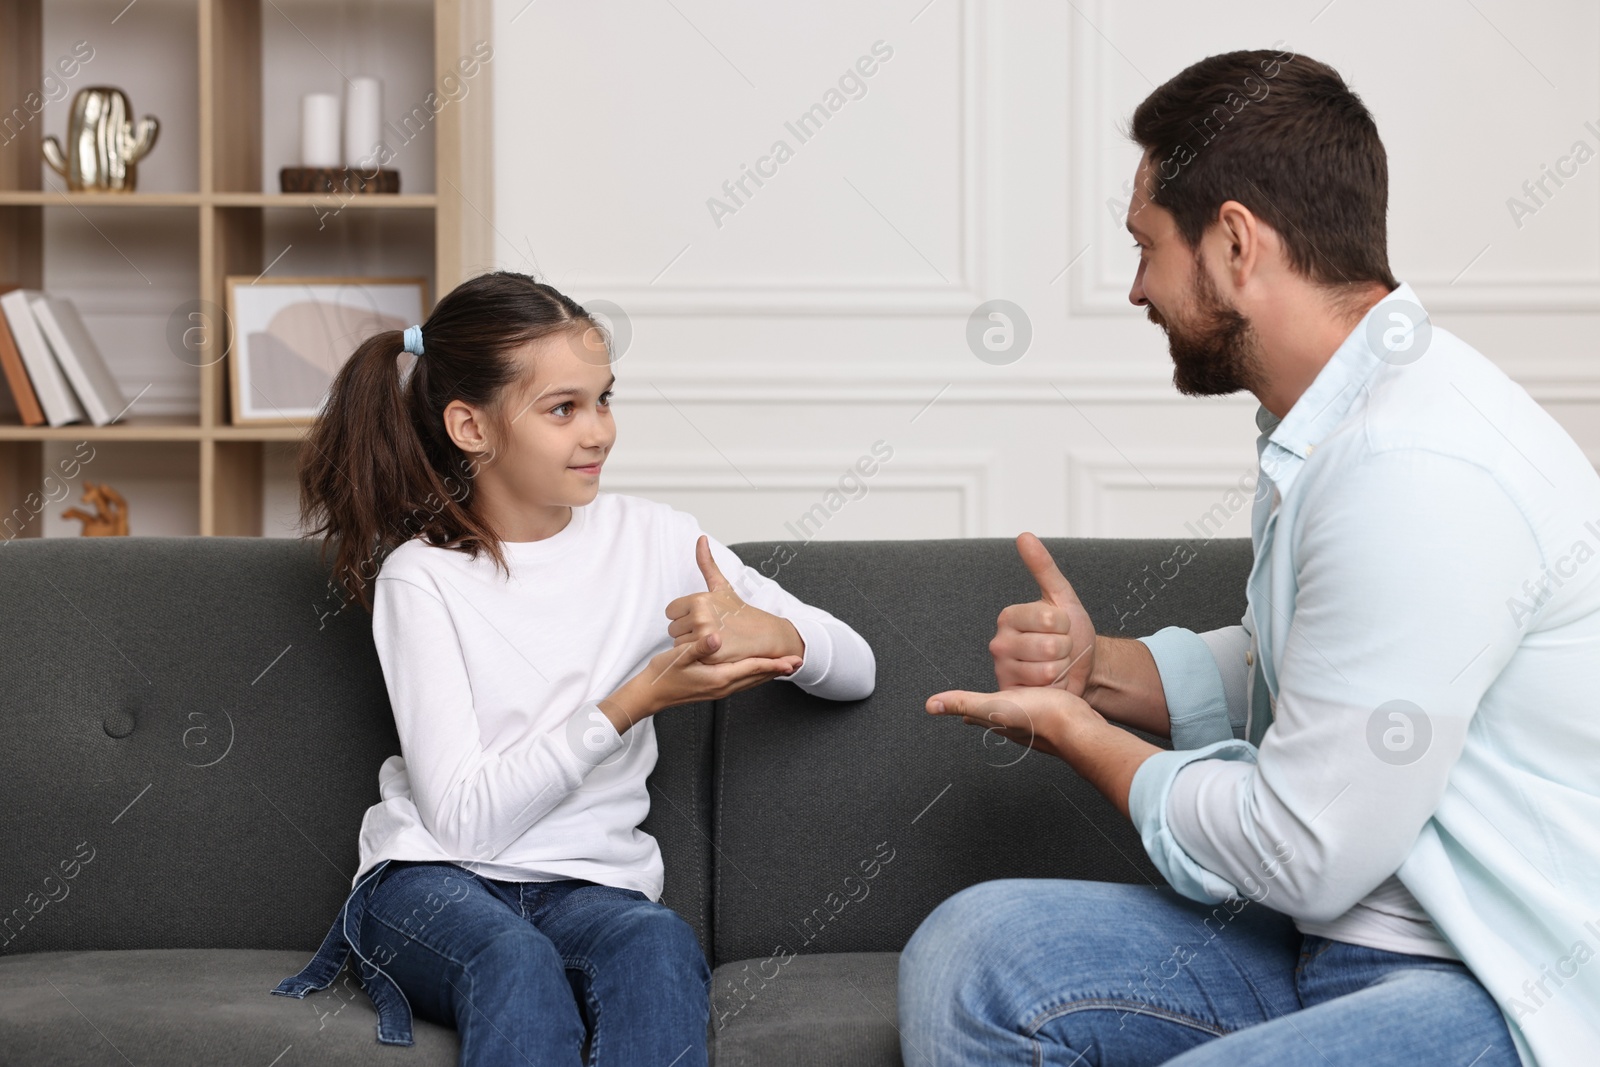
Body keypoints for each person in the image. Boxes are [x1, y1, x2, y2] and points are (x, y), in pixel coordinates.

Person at [898, 48, 1600, 1067]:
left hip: (1488, 978)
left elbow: (1302, 846)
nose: (1136, 288)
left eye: (1146, 247)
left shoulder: (1413, 466)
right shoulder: (1341, 415)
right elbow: (1340, 675)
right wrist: (1098, 670)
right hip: (1339, 937)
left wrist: (1082, 736)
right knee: (977, 953)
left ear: (1234, 242)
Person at [268, 271, 876, 1066]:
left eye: (605, 399)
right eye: (564, 408)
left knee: (657, 947)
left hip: (594, 889)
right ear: (470, 426)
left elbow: (857, 668)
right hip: (430, 883)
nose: (599, 433)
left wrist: (778, 632)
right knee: (514, 960)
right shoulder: (422, 578)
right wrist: (631, 702)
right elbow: (464, 824)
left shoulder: (656, 540)